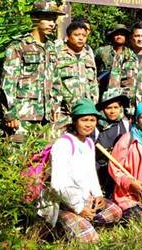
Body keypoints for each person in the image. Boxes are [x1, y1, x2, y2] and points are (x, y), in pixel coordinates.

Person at [46, 98, 122, 243]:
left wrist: (98, 194)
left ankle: (85, 222)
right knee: (91, 240)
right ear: (75, 121)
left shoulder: (88, 142)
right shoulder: (63, 145)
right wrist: (79, 208)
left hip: (84, 199)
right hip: (65, 204)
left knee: (116, 212)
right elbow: (58, 185)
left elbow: (91, 172)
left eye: (92, 120)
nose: (89, 124)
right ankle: (59, 229)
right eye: (84, 120)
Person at [1, 0, 65, 142]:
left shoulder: (51, 47)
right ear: (35, 19)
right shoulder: (19, 46)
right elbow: (8, 82)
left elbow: (55, 81)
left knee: (42, 160)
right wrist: (10, 113)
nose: (52, 23)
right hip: (23, 115)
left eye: (53, 19)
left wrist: (55, 106)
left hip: (46, 118)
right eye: (47, 18)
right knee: (18, 159)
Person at [51, 21, 99, 129]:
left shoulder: (88, 55)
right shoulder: (57, 53)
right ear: (68, 36)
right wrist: (54, 107)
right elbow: (52, 82)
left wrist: (93, 106)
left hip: (84, 114)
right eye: (77, 35)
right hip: (63, 113)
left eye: (84, 35)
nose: (81, 38)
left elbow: (93, 84)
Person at [108, 23, 142, 116]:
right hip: (125, 109)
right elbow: (113, 85)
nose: (140, 39)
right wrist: (115, 109)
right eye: (137, 36)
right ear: (131, 38)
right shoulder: (122, 56)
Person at [95, 89, 130, 198]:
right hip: (101, 168)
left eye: (116, 107)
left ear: (121, 108)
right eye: (108, 108)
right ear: (103, 110)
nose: (112, 111)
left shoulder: (125, 124)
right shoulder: (97, 127)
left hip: (120, 167)